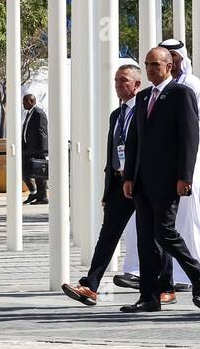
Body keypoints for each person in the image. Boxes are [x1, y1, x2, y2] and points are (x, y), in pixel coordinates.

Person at [115, 38, 200, 291]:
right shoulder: (144, 96)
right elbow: (135, 138)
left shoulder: (183, 93)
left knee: (165, 233)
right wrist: (129, 177)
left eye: (155, 64)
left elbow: (190, 138)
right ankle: (149, 296)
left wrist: (184, 176)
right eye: (147, 64)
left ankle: (195, 273)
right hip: (143, 181)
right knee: (145, 238)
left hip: (169, 180)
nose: (149, 70)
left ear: (169, 66)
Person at [61, 64, 147, 305]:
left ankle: (166, 284)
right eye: (116, 81)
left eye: (124, 81)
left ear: (137, 84)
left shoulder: (145, 110)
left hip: (141, 183)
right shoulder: (116, 115)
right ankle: (91, 285)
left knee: (154, 235)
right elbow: (112, 154)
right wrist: (108, 188)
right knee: (108, 235)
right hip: (119, 184)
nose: (119, 85)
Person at [21, 93, 48, 204]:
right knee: (25, 172)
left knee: (39, 175)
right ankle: (34, 192)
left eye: (24, 102)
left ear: (31, 102)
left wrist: (42, 151)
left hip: (37, 150)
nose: (23, 104)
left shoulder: (38, 113)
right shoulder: (29, 113)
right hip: (28, 149)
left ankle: (42, 197)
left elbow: (42, 133)